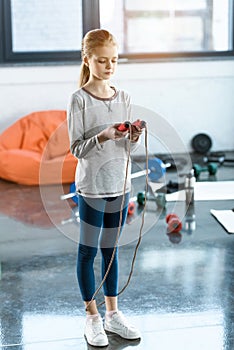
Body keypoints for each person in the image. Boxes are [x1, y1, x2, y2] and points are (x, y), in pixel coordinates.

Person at [67, 29, 142, 348]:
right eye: (102, 60)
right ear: (88, 60)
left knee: (111, 252)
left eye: (114, 60)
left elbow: (127, 149)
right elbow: (75, 148)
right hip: (92, 188)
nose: (109, 66)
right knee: (88, 251)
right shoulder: (79, 99)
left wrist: (132, 136)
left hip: (119, 185)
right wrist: (103, 136)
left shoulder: (123, 96)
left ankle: (113, 315)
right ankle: (92, 318)